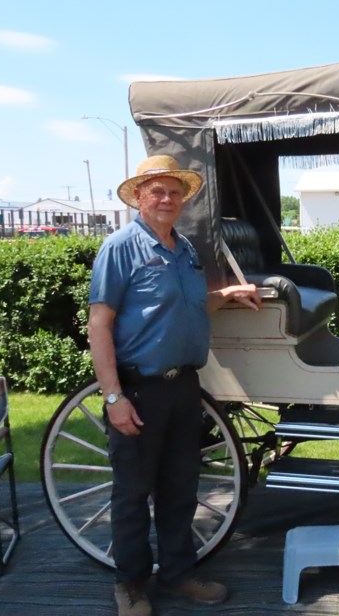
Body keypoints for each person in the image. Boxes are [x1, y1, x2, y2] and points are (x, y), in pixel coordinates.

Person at [88, 154, 261, 616]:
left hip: (185, 386)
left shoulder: (183, 248)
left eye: (173, 192)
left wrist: (224, 295)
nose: (166, 199)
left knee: (181, 488)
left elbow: (186, 305)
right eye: (156, 191)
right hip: (139, 389)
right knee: (131, 492)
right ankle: (131, 586)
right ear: (139, 198)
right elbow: (99, 324)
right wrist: (113, 397)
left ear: (183, 199)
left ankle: (179, 573)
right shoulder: (120, 247)